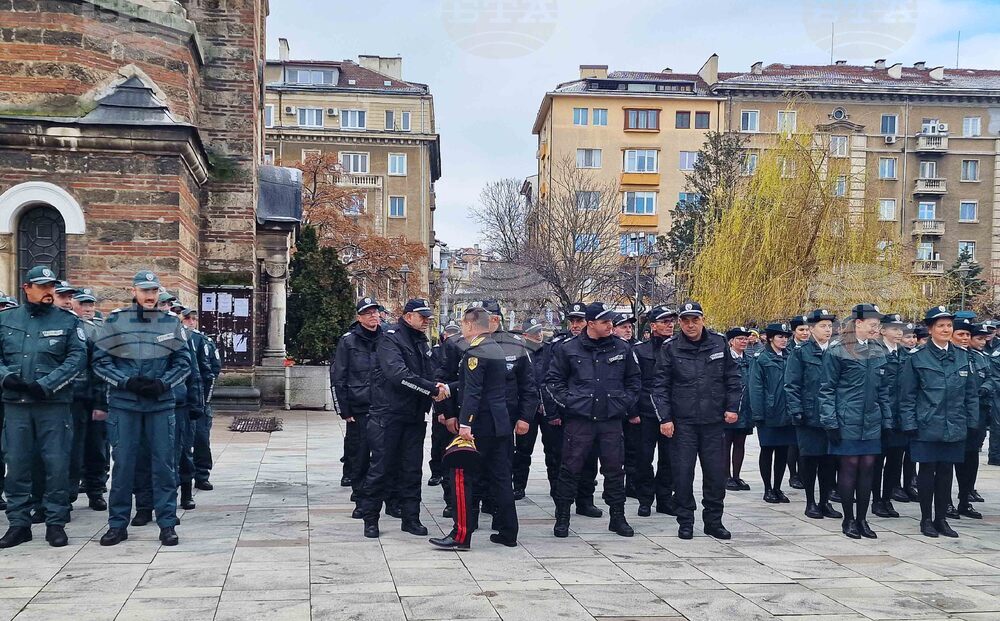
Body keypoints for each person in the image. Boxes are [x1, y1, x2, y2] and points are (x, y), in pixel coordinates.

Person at [94, 271, 191, 547]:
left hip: (160, 405)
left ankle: (167, 524)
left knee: (163, 464)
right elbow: (101, 362)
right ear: (133, 291)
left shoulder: (170, 324)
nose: (150, 296)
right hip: (125, 404)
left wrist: (164, 384)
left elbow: (183, 363)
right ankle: (117, 524)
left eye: (154, 290)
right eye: (144, 290)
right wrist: (126, 382)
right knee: (124, 465)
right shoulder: (116, 322)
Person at [0, 266, 87, 549]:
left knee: (56, 464)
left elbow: (77, 358)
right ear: (27, 288)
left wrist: (48, 384)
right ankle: (19, 524)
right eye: (42, 286)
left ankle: (55, 522)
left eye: (51, 286)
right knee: (17, 464)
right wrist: (6, 377)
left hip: (53, 404)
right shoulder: (6, 319)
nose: (48, 291)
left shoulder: (68, 322)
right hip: (17, 405)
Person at [546, 302, 640, 538]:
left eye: (611, 321)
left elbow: (634, 382)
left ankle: (618, 517)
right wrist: (571, 402)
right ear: (590, 324)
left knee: (615, 470)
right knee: (569, 469)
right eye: (605, 322)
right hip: (580, 420)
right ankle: (563, 518)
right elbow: (553, 381)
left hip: (610, 419)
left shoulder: (622, 348)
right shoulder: (568, 349)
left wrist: (622, 403)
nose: (611, 325)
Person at [430, 305, 518, 550]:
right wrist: (450, 387)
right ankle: (508, 532)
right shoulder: (496, 349)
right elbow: (480, 383)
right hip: (500, 424)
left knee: (460, 475)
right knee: (501, 478)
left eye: (462, 324)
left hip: (480, 425)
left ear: (469, 325)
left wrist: (466, 424)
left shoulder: (475, 352)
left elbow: (475, 391)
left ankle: (460, 535)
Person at [653, 301, 742, 540]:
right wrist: (665, 418)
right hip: (683, 423)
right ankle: (685, 520)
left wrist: (732, 407)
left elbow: (733, 378)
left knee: (715, 474)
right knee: (682, 474)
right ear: (680, 322)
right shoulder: (670, 347)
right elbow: (660, 386)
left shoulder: (718, 342)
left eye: (695, 319)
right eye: (685, 320)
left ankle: (713, 521)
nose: (690, 325)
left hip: (713, 421)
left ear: (702, 319)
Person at [359, 298, 445, 539]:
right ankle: (370, 518)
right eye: (422, 317)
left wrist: (439, 387)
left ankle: (411, 518)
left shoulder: (421, 341)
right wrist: (431, 389)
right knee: (381, 468)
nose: (427, 321)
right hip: (388, 414)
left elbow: (430, 371)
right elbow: (399, 375)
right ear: (408, 316)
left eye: (429, 317)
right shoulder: (390, 338)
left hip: (414, 415)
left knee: (411, 469)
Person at [899, 306, 979, 538]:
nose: (946, 329)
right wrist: (909, 423)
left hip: (955, 424)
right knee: (927, 471)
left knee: (946, 472)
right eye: (941, 326)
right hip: (926, 424)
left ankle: (941, 518)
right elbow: (908, 396)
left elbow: (971, 394)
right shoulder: (918, 358)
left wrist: (972, 423)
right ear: (931, 329)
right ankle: (926, 519)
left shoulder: (963, 357)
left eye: (949, 325)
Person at [818, 303, 891, 540]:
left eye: (877, 325)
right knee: (849, 469)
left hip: (871, 421)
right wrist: (830, 422)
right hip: (846, 419)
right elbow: (826, 389)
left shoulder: (878, 351)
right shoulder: (838, 351)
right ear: (858, 323)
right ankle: (848, 519)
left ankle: (863, 519)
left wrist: (887, 421)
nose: (875, 329)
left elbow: (883, 391)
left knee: (868, 469)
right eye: (872, 324)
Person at [539, 303, 601, 518]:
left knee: (589, 458)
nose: (575, 325)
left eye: (580, 321)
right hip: (563, 412)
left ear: (588, 323)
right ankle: (561, 500)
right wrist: (552, 413)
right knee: (560, 457)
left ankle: (585, 500)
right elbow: (547, 381)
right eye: (572, 321)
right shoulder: (558, 345)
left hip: (587, 413)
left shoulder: (599, 344)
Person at [785, 309, 841, 519]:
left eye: (829, 326)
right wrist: (797, 410)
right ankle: (810, 502)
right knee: (809, 460)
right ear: (811, 328)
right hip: (809, 415)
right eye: (822, 326)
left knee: (829, 462)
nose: (827, 330)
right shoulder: (800, 353)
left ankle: (825, 501)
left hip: (832, 416)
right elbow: (792, 384)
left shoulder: (837, 351)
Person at [331, 297, 383, 519]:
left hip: (383, 405)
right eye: (368, 313)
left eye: (376, 312)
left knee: (383, 456)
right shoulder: (348, 341)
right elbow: (338, 376)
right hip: (359, 406)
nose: (374, 316)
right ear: (359, 317)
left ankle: (383, 498)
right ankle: (360, 499)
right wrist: (345, 409)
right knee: (359, 456)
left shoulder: (388, 338)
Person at [632, 305, 678, 516]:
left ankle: (664, 498)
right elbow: (633, 383)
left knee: (669, 458)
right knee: (644, 458)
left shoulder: (677, 348)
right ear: (653, 325)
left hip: (671, 412)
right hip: (646, 412)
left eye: (671, 321)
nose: (669, 325)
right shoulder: (640, 350)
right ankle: (645, 498)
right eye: (664, 321)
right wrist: (633, 411)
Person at [69, 287, 110, 512]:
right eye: (83, 304)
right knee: (71, 448)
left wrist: (103, 401)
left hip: (96, 398)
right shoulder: (69, 326)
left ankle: (96, 490)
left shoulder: (97, 331)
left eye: (90, 304)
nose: (87, 308)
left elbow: (103, 366)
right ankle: (67, 494)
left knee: (97, 447)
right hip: (72, 398)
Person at [750, 322, 795, 504]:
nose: (784, 340)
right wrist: (758, 413)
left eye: (786, 337)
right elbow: (755, 387)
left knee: (783, 451)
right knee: (767, 449)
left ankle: (778, 487)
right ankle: (768, 488)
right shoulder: (761, 358)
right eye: (780, 337)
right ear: (770, 338)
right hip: (769, 411)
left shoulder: (790, 356)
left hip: (787, 411)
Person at [871, 313, 909, 519]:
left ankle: (887, 498)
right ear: (883, 330)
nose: (899, 332)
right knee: (878, 461)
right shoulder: (874, 352)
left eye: (900, 328)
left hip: (901, 417)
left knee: (896, 461)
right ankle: (876, 499)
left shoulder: (906, 354)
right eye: (894, 328)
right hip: (881, 416)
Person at [952, 321, 991, 519]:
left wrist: (986, 388)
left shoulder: (977, 358)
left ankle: (965, 499)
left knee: (970, 460)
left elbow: (993, 377)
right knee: (948, 462)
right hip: (953, 417)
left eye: (968, 334)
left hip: (976, 416)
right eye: (961, 334)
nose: (965, 338)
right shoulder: (948, 358)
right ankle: (946, 503)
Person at [180, 309, 221, 492]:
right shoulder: (175, 339)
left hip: (200, 399)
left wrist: (205, 400)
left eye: (194, 319)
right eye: (187, 318)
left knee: (201, 439)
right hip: (180, 399)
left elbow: (212, 370)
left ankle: (202, 474)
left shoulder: (202, 341)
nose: (191, 321)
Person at [512, 318, 547, 500]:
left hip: (548, 408)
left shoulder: (550, 351)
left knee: (554, 451)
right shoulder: (520, 353)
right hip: (527, 409)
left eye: (540, 331)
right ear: (525, 336)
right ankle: (518, 485)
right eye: (534, 332)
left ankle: (557, 487)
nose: (538, 335)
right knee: (523, 450)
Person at [428, 322, 460, 489]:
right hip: (442, 403)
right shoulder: (437, 351)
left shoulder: (463, 348)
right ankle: (437, 472)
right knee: (440, 443)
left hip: (458, 406)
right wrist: (440, 410)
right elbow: (437, 380)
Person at [724, 326, 753, 492]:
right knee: (726, 444)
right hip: (729, 408)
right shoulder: (726, 360)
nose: (744, 341)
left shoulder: (749, 360)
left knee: (740, 443)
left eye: (745, 338)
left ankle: (736, 475)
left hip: (746, 408)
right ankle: (725, 476)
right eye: (740, 339)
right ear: (731, 341)